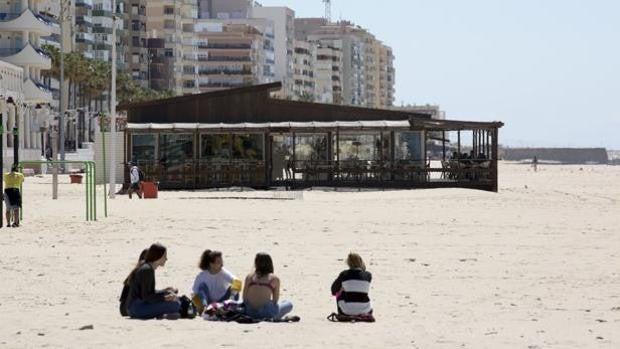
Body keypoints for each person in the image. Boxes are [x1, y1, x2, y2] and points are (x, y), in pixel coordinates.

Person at [125, 243, 181, 319]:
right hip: (136, 308)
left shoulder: (147, 267)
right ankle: (159, 314)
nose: (166, 259)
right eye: (164, 256)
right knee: (175, 305)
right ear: (158, 256)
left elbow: (148, 293)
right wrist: (166, 298)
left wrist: (164, 291)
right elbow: (147, 297)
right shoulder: (147, 270)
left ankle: (158, 314)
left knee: (176, 300)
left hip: (134, 307)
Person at [242, 252, 293, 320]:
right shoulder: (274, 279)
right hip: (266, 313)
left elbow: (244, 297)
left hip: (249, 312)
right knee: (288, 304)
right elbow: (275, 301)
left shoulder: (249, 277)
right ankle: (276, 317)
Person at [119, 248, 149, 316]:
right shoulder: (143, 272)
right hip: (128, 308)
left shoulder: (135, 270)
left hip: (123, 308)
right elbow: (146, 295)